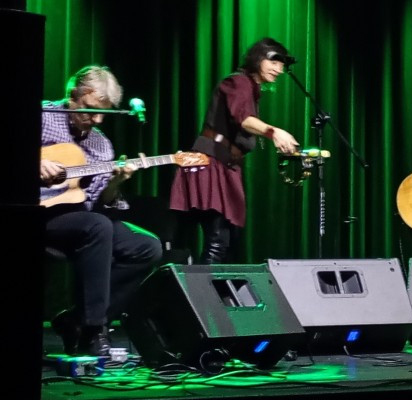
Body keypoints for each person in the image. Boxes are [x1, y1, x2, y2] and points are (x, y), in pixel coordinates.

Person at [40, 65, 163, 357]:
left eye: (103, 114)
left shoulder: (101, 145)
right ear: (73, 95)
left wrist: (116, 181)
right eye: (89, 110)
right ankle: (94, 331)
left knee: (147, 247)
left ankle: (77, 320)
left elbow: (98, 203)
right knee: (99, 227)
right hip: (34, 214)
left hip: (76, 217)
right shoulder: (42, 116)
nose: (95, 120)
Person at [169, 37, 299, 263]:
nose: (279, 69)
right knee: (217, 241)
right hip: (209, 162)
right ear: (258, 59)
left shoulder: (250, 88)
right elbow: (244, 119)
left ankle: (212, 293)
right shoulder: (239, 82)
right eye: (274, 62)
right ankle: (200, 296)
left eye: (282, 65)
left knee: (227, 240)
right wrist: (273, 132)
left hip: (223, 164)